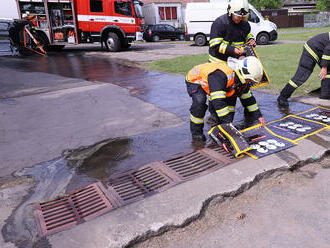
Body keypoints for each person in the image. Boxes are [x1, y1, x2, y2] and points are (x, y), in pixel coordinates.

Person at [185, 56, 266, 141]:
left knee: (229, 98)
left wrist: (258, 116)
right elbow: (218, 102)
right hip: (195, 80)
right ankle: (196, 133)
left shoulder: (242, 79)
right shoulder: (221, 75)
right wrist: (228, 123)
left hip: (214, 84)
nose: (250, 82)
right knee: (199, 103)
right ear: (244, 73)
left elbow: (248, 99)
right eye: (250, 80)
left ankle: (217, 123)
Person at [277, 32, 330, 107]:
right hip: (312, 49)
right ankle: (282, 97)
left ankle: (326, 95)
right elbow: (328, 50)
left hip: (320, 49)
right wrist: (324, 68)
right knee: (302, 75)